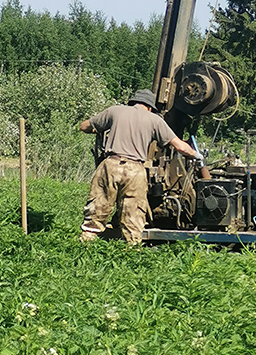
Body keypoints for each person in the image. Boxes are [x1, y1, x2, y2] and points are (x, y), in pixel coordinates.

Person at [78, 88, 200, 244]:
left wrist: (95, 129)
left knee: (99, 204)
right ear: (149, 107)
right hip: (135, 170)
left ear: (132, 102)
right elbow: (180, 147)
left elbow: (84, 126)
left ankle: (87, 240)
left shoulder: (114, 111)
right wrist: (196, 155)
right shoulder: (154, 120)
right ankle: (131, 247)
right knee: (133, 212)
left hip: (111, 165)